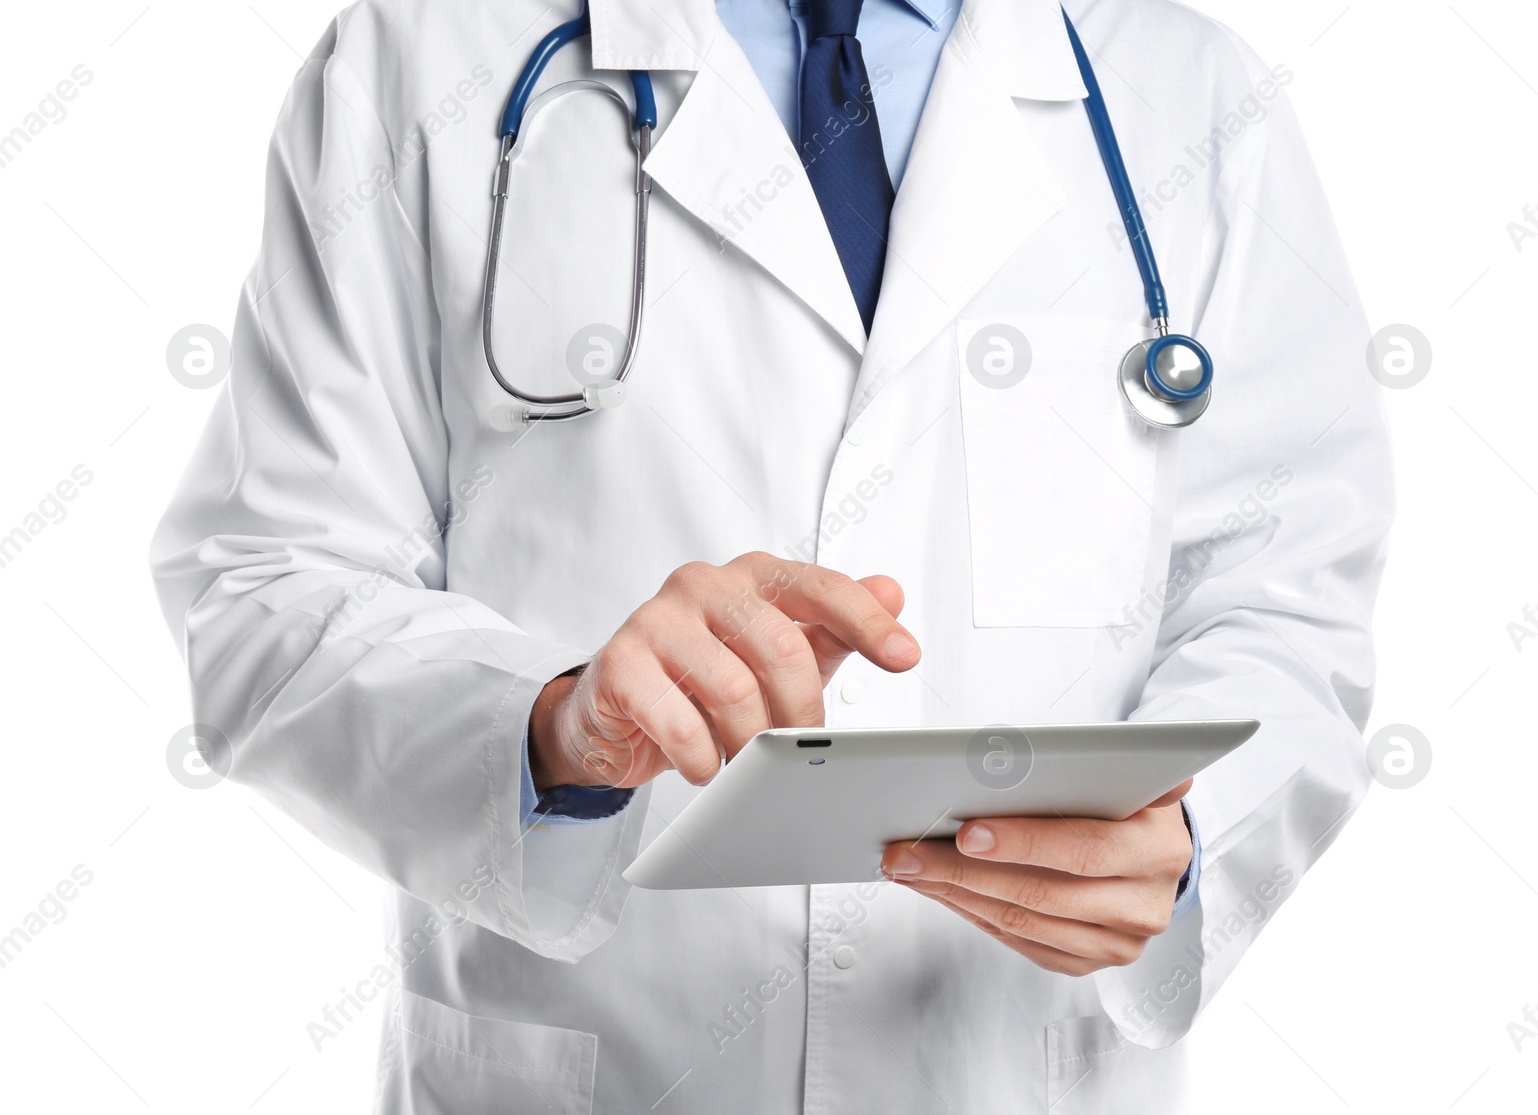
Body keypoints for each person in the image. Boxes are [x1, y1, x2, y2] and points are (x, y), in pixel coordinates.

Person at [151, 0, 1393, 1110]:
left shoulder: (1191, 99)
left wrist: (1187, 849)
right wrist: (546, 730)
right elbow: (264, 585)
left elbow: (1284, 600)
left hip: (1011, 1071)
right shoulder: (421, 59)